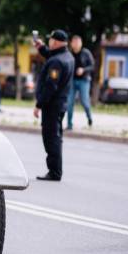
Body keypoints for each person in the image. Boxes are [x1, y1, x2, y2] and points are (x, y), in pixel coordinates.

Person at [33, 30, 75, 181]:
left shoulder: (56, 62)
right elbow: (53, 57)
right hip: (61, 103)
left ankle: (54, 172)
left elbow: (51, 86)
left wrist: (39, 104)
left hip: (52, 105)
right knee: (56, 137)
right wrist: (42, 48)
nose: (49, 42)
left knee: (51, 138)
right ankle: (56, 170)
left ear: (55, 42)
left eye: (50, 40)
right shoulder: (67, 56)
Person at [67, 35, 94, 130]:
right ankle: (69, 124)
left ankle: (89, 118)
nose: (76, 44)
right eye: (74, 42)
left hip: (84, 80)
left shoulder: (86, 53)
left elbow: (92, 66)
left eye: (78, 42)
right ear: (71, 43)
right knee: (69, 103)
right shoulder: (69, 54)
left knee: (84, 101)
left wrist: (83, 70)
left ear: (81, 43)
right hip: (72, 81)